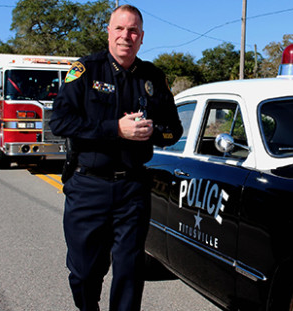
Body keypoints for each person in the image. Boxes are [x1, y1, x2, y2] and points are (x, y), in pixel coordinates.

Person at [49, 4, 182, 311]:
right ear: (108, 32)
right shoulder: (85, 70)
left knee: (130, 270)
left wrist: (153, 131)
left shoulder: (153, 78)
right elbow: (60, 123)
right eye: (120, 29)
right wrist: (116, 130)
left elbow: (173, 131)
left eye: (133, 30)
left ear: (142, 37)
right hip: (88, 187)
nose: (126, 36)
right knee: (84, 273)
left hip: (132, 189)